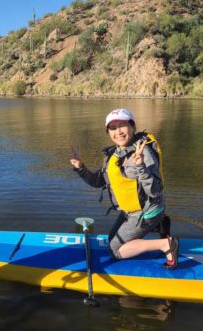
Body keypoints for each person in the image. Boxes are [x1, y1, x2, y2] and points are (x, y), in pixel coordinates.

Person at [70, 108, 178, 269]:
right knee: (111, 239)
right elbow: (99, 181)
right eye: (112, 128)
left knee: (115, 251)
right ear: (108, 132)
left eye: (122, 125)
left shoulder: (144, 152)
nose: (118, 132)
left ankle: (166, 244)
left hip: (146, 211)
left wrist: (140, 165)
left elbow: (155, 190)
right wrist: (81, 168)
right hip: (131, 210)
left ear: (133, 127)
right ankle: (159, 225)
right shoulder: (116, 152)